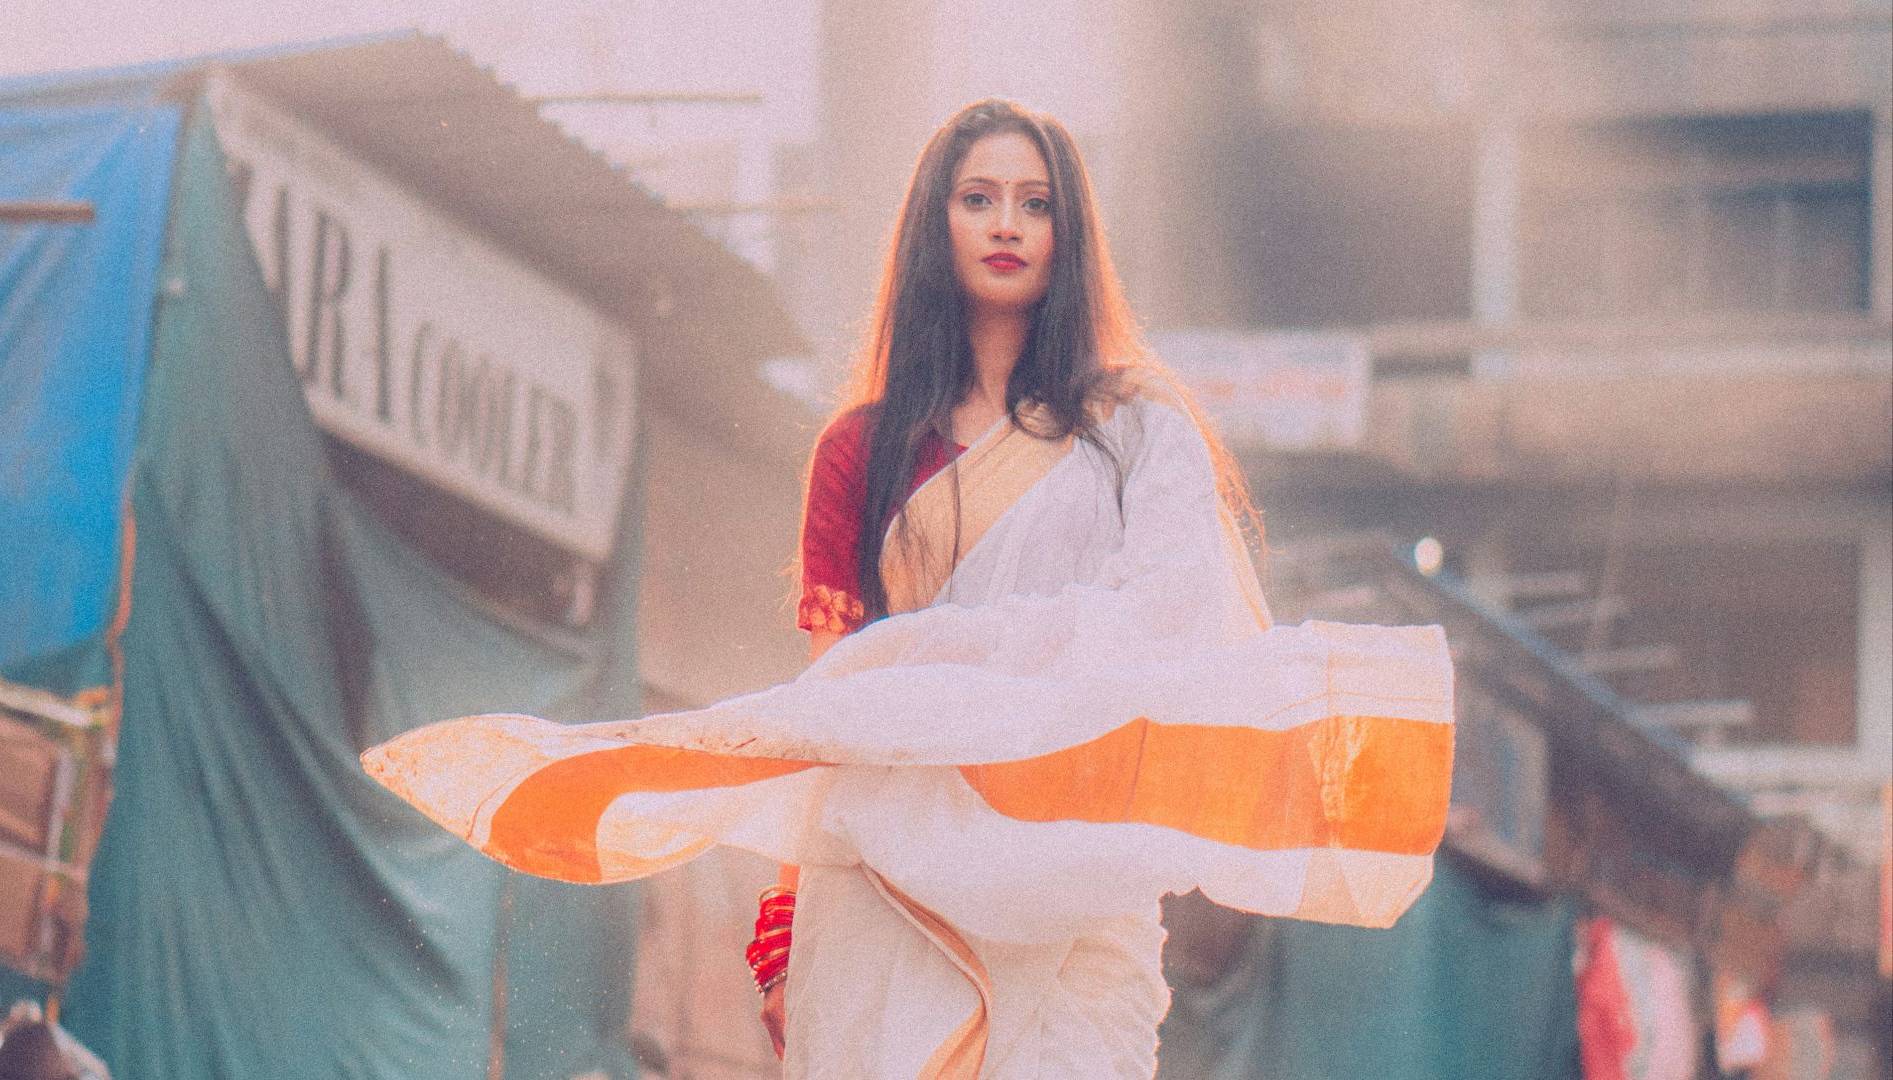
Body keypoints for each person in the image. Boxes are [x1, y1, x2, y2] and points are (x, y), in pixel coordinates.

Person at [363, 99, 1456, 1079]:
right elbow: (834, 707)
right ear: (936, 224)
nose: (1006, 223)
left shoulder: (1136, 434)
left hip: (1076, 888)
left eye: (1035, 202)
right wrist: (783, 922)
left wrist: (932, 664)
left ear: (1070, 234)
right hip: (883, 880)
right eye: (978, 198)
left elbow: (1170, 629)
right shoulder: (864, 450)